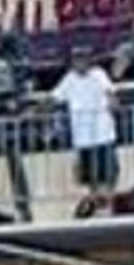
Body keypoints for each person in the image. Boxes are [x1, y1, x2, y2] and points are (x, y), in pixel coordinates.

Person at [52, 49, 120, 218]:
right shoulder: (69, 79)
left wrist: (113, 103)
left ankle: (107, 204)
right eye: (77, 59)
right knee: (90, 176)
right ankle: (97, 205)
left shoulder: (99, 74)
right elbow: (54, 97)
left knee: (109, 172)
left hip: (103, 133)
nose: (80, 62)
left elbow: (110, 92)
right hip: (82, 137)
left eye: (83, 58)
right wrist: (35, 110)